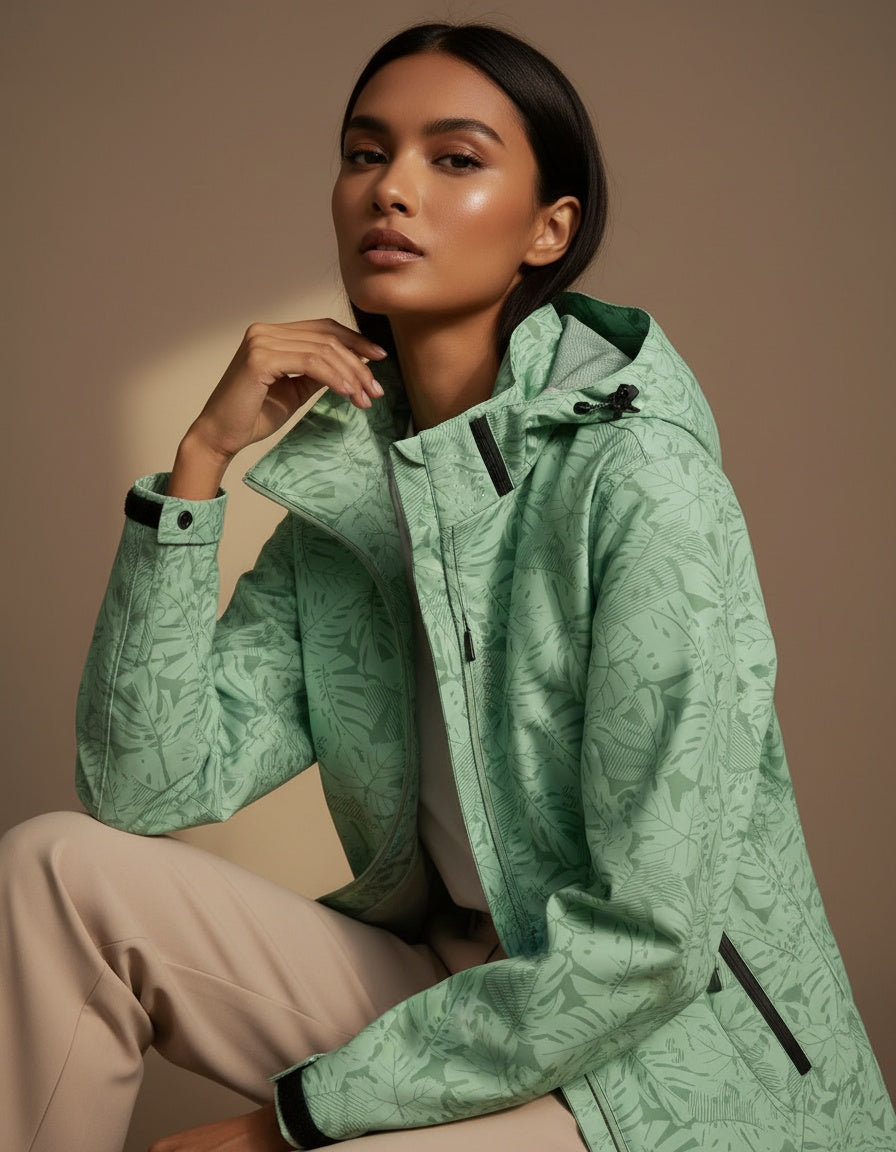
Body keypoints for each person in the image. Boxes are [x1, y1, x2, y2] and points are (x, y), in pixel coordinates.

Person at [0, 20, 893, 1152]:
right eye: (365, 154)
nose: (392, 190)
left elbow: (654, 941)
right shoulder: (353, 503)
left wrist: (290, 1123)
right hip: (460, 989)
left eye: (455, 158)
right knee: (55, 870)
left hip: (668, 1060)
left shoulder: (637, 481)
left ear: (549, 229)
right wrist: (199, 465)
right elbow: (142, 785)